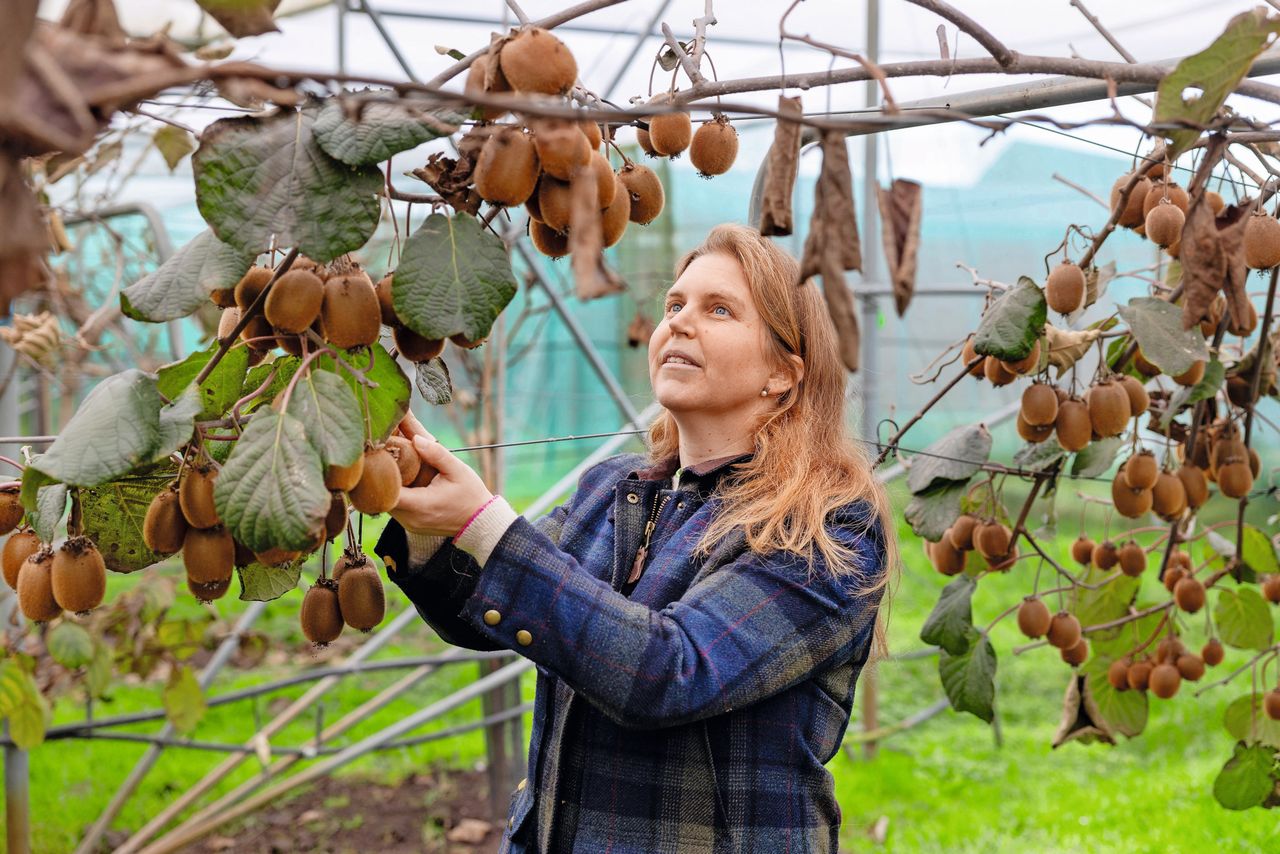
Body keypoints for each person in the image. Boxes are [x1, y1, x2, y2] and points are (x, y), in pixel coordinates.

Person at [376, 223, 897, 853]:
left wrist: (482, 523)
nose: (678, 322)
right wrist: (421, 505)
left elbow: (669, 671)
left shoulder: (824, 531)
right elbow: (494, 606)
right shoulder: (614, 488)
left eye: (719, 309)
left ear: (783, 375)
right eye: (674, 304)